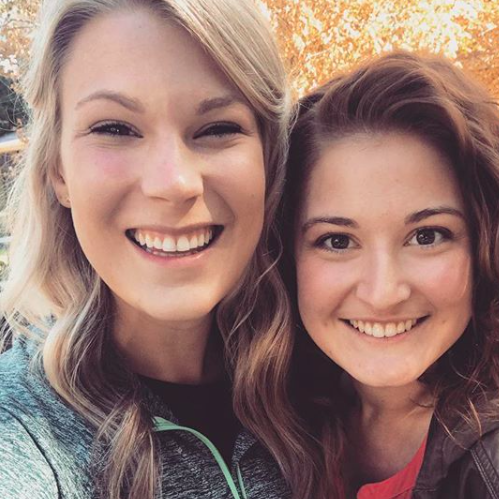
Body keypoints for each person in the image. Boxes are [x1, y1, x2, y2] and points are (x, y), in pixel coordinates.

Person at [0, 0, 294, 498]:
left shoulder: (331, 384)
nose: (173, 183)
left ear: (269, 159)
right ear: (58, 170)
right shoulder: (21, 433)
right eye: (114, 128)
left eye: (218, 128)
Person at [237, 52, 499, 499]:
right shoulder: (269, 414)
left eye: (427, 236)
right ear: (284, 255)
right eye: (337, 241)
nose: (383, 293)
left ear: (485, 244)